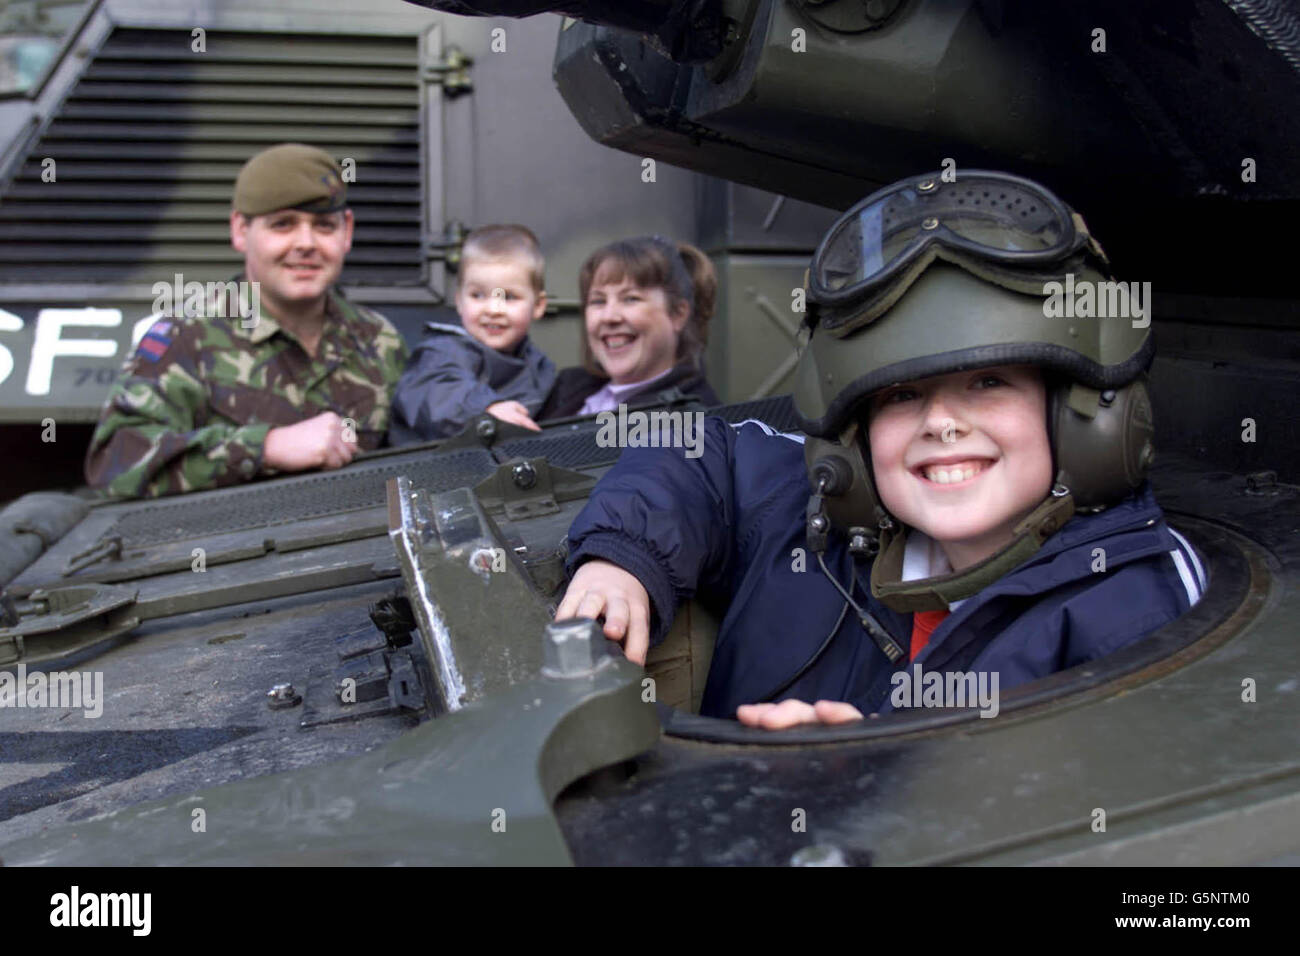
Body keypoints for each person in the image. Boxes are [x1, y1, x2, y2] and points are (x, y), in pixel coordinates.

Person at [555, 170, 1207, 729]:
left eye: (987, 381)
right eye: (900, 394)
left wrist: (880, 768)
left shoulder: (1126, 610)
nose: (942, 423)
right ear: (854, 432)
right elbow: (697, 446)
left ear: (1082, 414)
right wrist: (625, 555)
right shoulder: (817, 517)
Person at [84, 143, 409, 498]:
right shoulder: (186, 336)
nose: (306, 243)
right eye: (282, 225)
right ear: (241, 230)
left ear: (347, 231)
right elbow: (115, 466)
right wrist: (265, 448)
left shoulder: (378, 340)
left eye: (324, 226)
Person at [388, 224, 555, 442]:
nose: (493, 310)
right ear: (459, 301)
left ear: (538, 305)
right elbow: (436, 394)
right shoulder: (441, 354)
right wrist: (486, 407)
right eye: (478, 295)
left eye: (509, 297)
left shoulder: (541, 368)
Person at [536, 236, 719, 419]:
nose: (609, 317)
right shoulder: (561, 389)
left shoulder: (694, 424)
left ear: (678, 314)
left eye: (630, 299)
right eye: (598, 301)